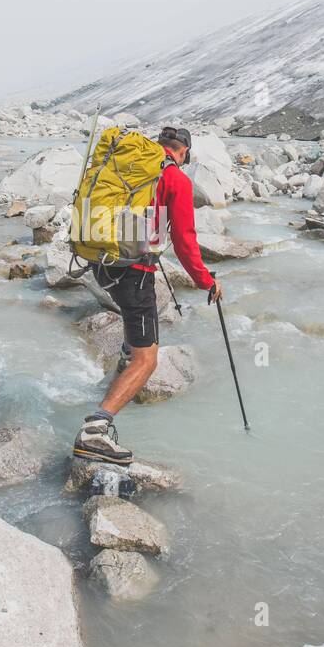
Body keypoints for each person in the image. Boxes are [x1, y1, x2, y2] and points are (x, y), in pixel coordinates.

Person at [73, 126, 221, 465]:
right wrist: (206, 281)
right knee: (147, 359)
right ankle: (95, 431)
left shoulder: (130, 168)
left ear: (158, 146)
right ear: (184, 152)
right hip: (133, 273)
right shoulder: (176, 179)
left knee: (135, 323)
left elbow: (136, 224)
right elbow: (184, 240)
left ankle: (123, 363)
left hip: (100, 261)